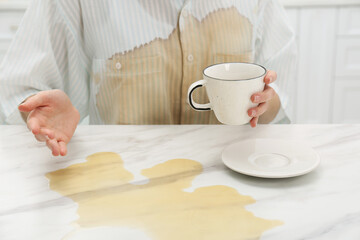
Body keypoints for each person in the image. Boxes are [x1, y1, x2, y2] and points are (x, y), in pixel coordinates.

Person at [0, 0, 296, 156]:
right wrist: (40, 114)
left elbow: (281, 93)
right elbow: (20, 90)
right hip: (122, 200)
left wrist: (264, 104)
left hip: (236, 191)